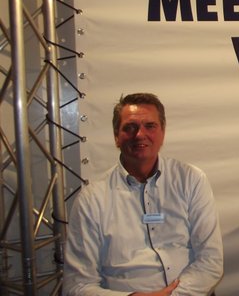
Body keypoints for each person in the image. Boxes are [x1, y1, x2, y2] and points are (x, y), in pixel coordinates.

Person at [63, 93, 223, 295]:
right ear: (116, 136)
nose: (140, 134)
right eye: (130, 127)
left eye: (150, 126)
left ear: (162, 132)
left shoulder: (191, 180)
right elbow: (77, 285)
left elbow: (210, 260)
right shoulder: (91, 200)